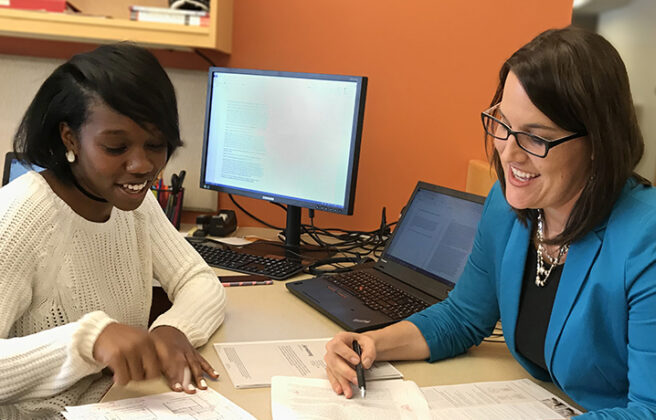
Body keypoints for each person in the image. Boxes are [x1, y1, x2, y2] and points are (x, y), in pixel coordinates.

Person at [324, 26, 656, 418]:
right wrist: (372, 344)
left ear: (598, 144)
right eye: (503, 123)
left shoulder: (644, 239)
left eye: (536, 138)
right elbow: (463, 317)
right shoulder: (506, 205)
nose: (508, 152)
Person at [0, 43, 226, 419]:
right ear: (70, 138)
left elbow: (197, 279)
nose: (142, 165)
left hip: (118, 403)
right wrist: (87, 341)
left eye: (156, 145)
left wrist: (172, 329)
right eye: (115, 147)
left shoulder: (132, 202)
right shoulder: (20, 217)